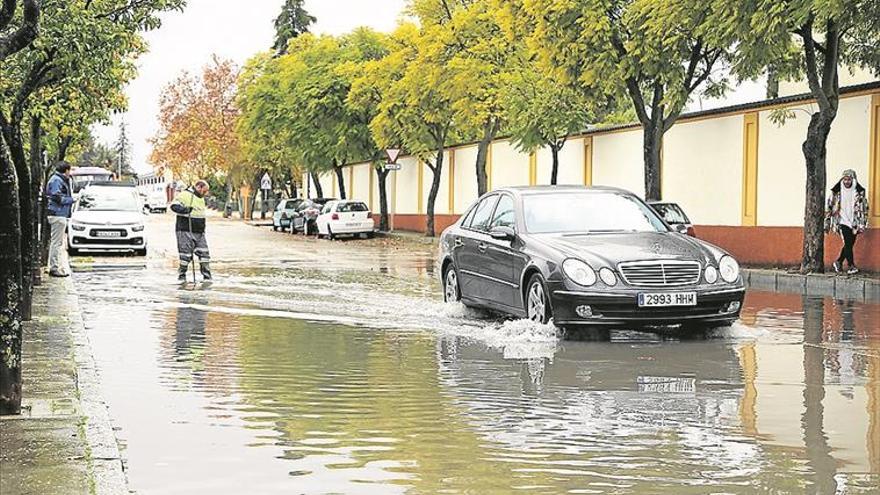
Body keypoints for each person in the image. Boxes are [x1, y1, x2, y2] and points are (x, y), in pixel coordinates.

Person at [826, 169, 868, 274]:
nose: (846, 181)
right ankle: (851, 266)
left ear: (853, 179)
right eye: (845, 179)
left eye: (849, 179)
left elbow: (864, 207)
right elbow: (830, 206)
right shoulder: (836, 191)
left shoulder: (859, 192)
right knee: (848, 243)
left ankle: (838, 261)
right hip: (842, 221)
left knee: (850, 243)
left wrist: (863, 222)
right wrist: (827, 222)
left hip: (854, 222)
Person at [171, 180, 212, 282]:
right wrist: (185, 210)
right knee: (185, 256)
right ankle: (182, 275)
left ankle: (207, 276)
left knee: (204, 254)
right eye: (204, 191)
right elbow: (173, 206)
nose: (205, 193)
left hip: (199, 232)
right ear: (199, 187)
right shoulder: (184, 195)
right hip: (185, 230)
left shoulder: (201, 198)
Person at [45, 162, 75, 277]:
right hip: (58, 214)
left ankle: (54, 265)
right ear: (66, 170)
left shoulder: (56, 179)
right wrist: (72, 200)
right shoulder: (57, 180)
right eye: (69, 171)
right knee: (56, 243)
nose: (70, 173)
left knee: (57, 242)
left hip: (59, 214)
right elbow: (57, 198)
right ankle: (54, 267)